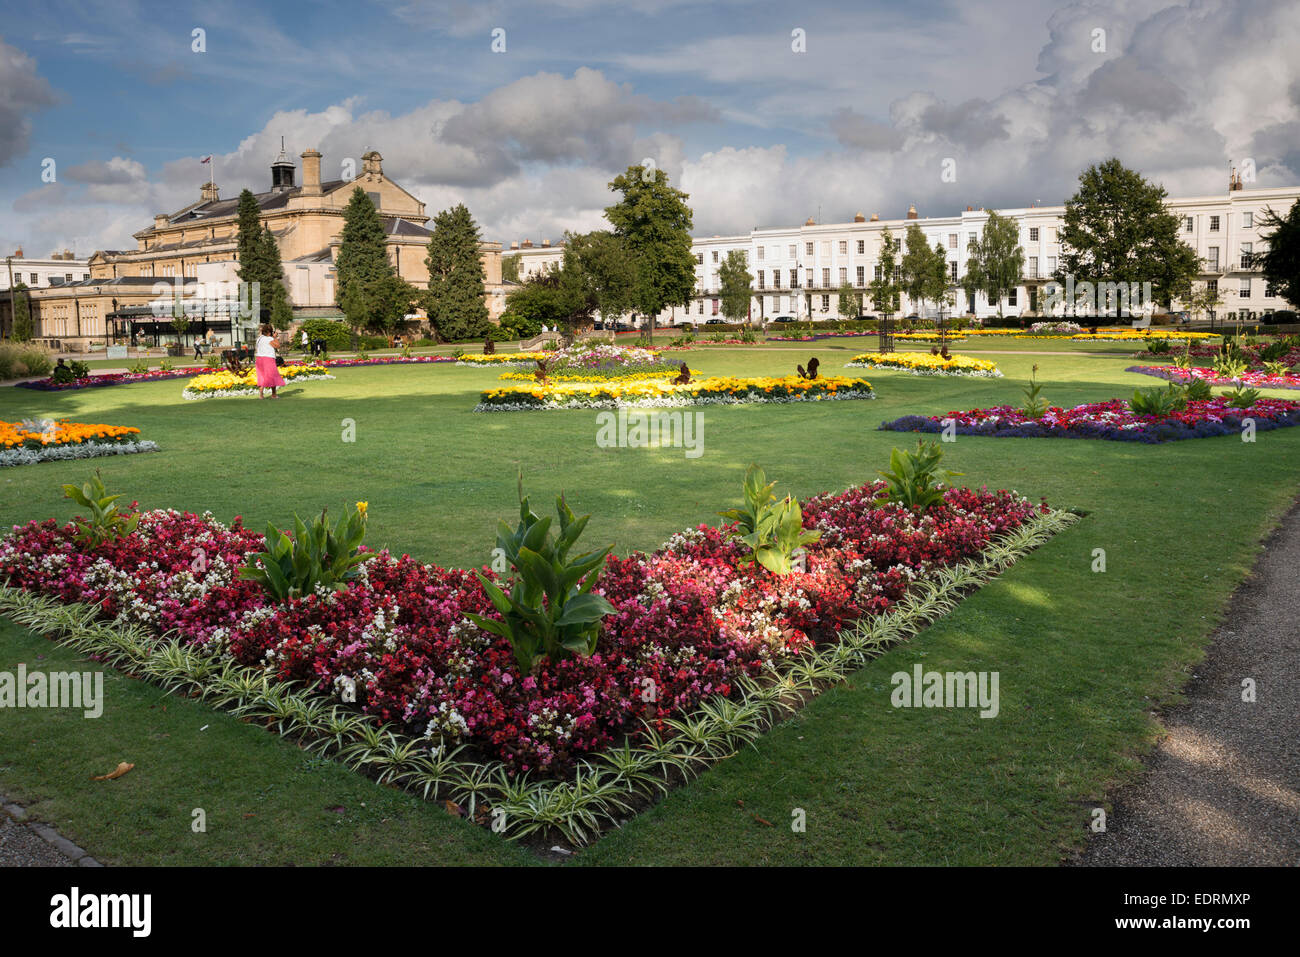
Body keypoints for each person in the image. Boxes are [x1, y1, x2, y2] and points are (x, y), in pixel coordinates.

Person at [255, 323, 286, 398]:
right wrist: (275, 337)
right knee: (272, 376)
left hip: (259, 359)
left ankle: (261, 395)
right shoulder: (269, 339)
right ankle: (274, 394)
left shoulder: (259, 338)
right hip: (268, 359)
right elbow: (278, 346)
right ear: (270, 332)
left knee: (262, 376)